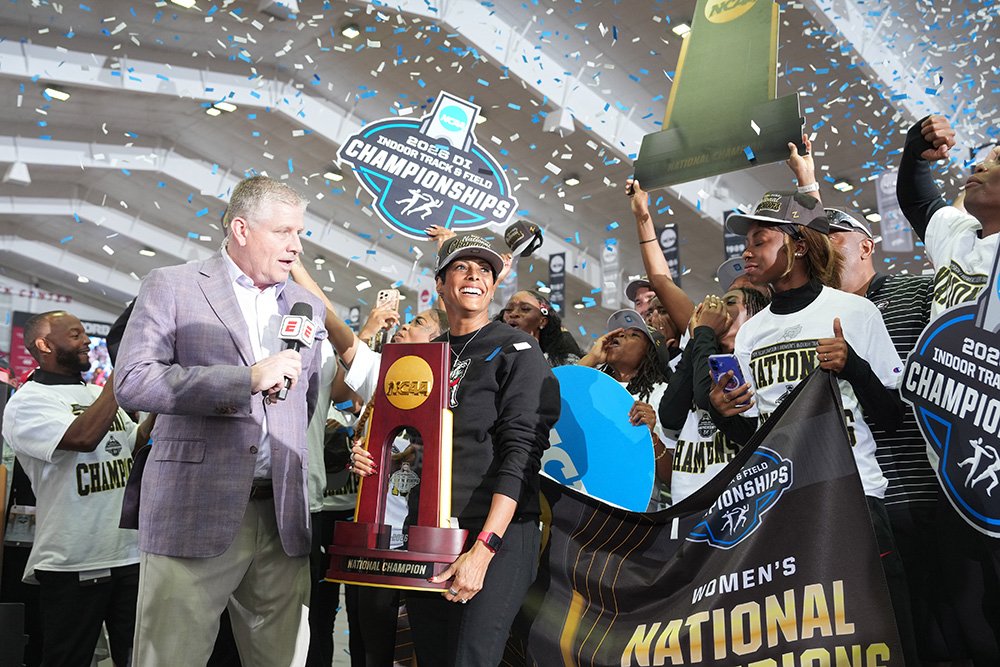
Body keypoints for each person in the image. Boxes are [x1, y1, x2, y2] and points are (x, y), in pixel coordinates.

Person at [114, 175, 327, 666]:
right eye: (283, 232)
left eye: (300, 233)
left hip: (281, 515)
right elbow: (134, 381)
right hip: (194, 507)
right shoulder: (172, 285)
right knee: (170, 657)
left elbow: (306, 401)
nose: (296, 246)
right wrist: (244, 380)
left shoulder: (307, 307)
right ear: (241, 229)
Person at [707, 190, 918, 665]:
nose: (747, 252)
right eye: (747, 243)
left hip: (854, 493)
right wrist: (725, 414)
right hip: (785, 501)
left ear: (799, 245)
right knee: (814, 641)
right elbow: (758, 440)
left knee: (884, 627)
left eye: (760, 240)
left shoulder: (856, 312)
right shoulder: (752, 333)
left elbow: (892, 416)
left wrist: (853, 366)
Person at [351, 234, 560, 666]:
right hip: (428, 533)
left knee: (470, 658)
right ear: (440, 283)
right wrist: (374, 459)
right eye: (462, 267)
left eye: (484, 270)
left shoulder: (518, 350)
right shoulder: (424, 356)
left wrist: (484, 548)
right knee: (432, 658)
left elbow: (521, 455)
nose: (474, 276)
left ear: (493, 285)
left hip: (495, 534)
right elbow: (408, 441)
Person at [897, 115, 1000, 664]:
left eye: (998, 161)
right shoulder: (959, 236)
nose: (980, 164)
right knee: (968, 619)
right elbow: (917, 198)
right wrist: (914, 149)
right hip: (954, 468)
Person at [2, 310, 153, 667]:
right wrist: (121, 376)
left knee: (138, 658)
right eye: (74, 335)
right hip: (74, 561)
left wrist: (161, 409)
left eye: (85, 333)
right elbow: (82, 438)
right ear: (44, 345)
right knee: (68, 659)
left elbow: (130, 446)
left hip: (130, 554)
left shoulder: (95, 393)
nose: (86, 341)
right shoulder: (28, 402)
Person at [659, 289, 769, 505]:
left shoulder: (756, 362)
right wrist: (696, 339)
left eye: (730, 302)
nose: (718, 307)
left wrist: (705, 331)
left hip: (739, 500)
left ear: (754, 316)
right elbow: (670, 416)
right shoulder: (702, 354)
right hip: (687, 503)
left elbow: (705, 398)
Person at [580, 309, 672, 505]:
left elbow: (672, 478)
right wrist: (592, 358)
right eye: (619, 333)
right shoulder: (590, 386)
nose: (620, 335)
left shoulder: (663, 394)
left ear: (650, 352)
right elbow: (552, 395)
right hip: (578, 497)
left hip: (631, 506)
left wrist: (651, 438)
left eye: (634, 335)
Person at [499, 289, 583, 367]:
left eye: (525, 309)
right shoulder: (494, 356)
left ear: (542, 321)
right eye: (509, 309)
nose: (513, 314)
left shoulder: (561, 362)